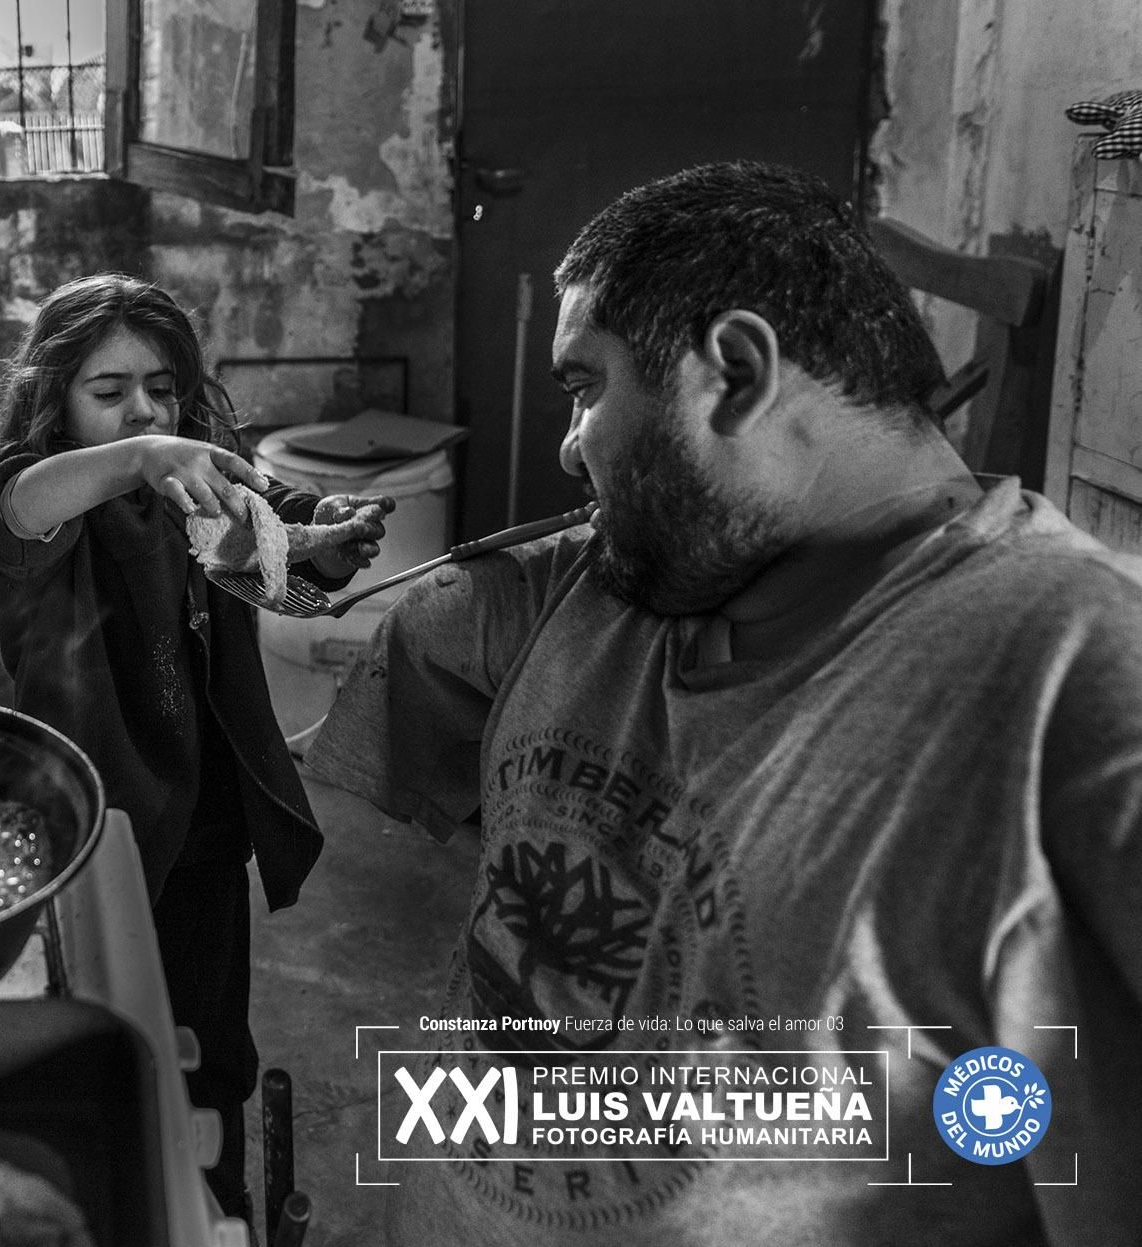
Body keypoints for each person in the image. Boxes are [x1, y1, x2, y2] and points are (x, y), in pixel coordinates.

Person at [304, 161, 1142, 1244]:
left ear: (733, 371)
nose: (567, 445)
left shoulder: (1063, 686)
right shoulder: (585, 587)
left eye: (583, 386)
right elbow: (348, 813)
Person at [0, 272, 394, 1220]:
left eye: (160, 388)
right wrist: (142, 454)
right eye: (107, 392)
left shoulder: (200, 471)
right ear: (54, 397)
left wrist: (323, 543)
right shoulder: (37, 489)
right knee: (106, 1032)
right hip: (92, 823)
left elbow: (275, 558)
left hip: (204, 812)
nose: (141, 411)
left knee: (209, 1043)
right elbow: (21, 508)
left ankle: (217, 1201)